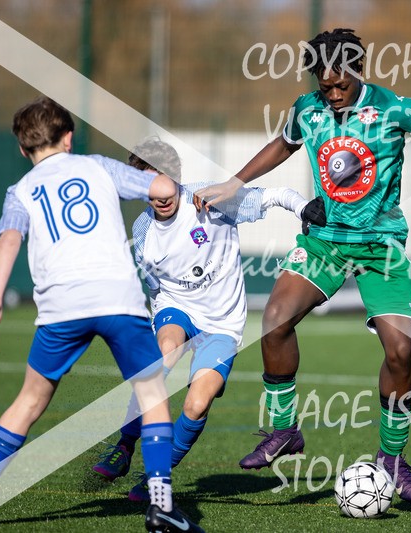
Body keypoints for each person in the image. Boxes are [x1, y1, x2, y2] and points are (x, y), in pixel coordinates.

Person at [196, 28, 411, 505]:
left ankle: (393, 460)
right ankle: (284, 431)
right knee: (275, 321)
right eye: (326, 87)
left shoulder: (393, 108)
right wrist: (234, 182)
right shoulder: (307, 108)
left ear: (360, 71)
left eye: (342, 85)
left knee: (400, 352)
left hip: (381, 248)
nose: (334, 95)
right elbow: (284, 143)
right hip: (324, 243)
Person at [0, 97, 203, 533]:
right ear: (68, 137)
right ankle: (161, 506)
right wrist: (159, 182)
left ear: (24, 150)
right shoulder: (98, 166)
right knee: (152, 395)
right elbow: (162, 189)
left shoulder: (21, 191)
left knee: (28, 402)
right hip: (118, 300)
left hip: (61, 306)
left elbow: (8, 240)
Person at [90, 138, 326, 501]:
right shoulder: (142, 233)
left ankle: (158, 476)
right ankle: (123, 445)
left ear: (178, 179)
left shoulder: (210, 198)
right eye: (150, 185)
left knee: (197, 403)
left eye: (165, 181)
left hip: (222, 324)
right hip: (176, 307)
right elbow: (154, 290)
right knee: (164, 355)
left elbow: (273, 195)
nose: (161, 193)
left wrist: (302, 208)